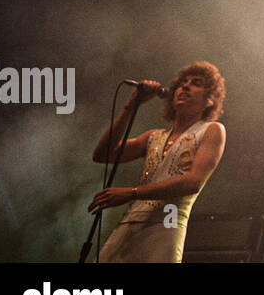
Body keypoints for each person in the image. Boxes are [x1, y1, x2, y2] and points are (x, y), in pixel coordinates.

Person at [89, 61, 227, 262]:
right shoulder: (153, 136)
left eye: (196, 83)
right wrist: (131, 105)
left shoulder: (212, 130)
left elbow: (193, 182)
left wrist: (130, 193)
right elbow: (103, 154)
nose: (185, 87)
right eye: (181, 83)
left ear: (210, 100)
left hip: (166, 227)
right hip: (129, 226)